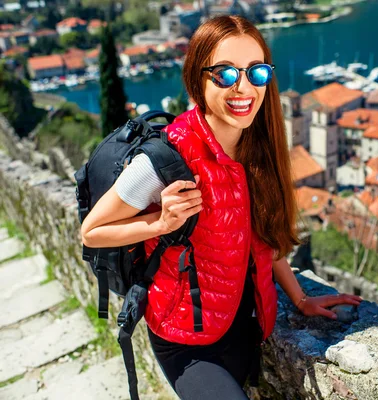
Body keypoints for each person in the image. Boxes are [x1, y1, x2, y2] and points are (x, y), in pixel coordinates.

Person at [80, 15, 362, 399]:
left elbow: (259, 238)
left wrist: (299, 298)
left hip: (244, 328)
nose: (243, 87)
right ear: (198, 78)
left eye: (256, 73)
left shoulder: (256, 149)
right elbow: (92, 233)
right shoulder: (166, 158)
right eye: (226, 74)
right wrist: (159, 223)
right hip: (186, 343)